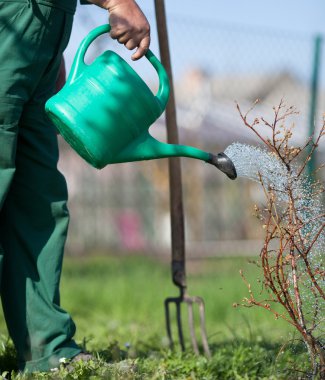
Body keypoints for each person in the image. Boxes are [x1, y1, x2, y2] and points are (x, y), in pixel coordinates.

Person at [0, 0, 150, 372]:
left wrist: (47, 51)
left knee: (39, 202)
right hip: (10, 31)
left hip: (35, 50)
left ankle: (46, 347)